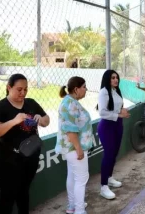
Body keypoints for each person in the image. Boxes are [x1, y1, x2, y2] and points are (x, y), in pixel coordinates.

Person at [0, 73, 50, 214]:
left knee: (24, 192)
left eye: (26, 89)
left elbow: (46, 120)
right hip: (7, 159)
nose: (23, 93)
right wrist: (14, 121)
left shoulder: (31, 103)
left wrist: (41, 119)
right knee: (8, 196)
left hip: (30, 156)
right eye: (19, 89)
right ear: (9, 87)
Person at [55, 77, 92, 214]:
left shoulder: (70, 102)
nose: (86, 89)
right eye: (84, 87)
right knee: (81, 179)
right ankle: (80, 210)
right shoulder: (70, 104)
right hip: (74, 148)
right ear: (76, 89)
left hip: (71, 148)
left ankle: (72, 206)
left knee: (73, 177)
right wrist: (78, 148)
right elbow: (70, 129)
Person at [97, 70, 129, 200]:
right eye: (112, 78)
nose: (116, 80)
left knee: (114, 153)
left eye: (116, 78)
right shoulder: (104, 91)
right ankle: (103, 186)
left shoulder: (116, 90)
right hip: (107, 126)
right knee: (109, 155)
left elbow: (116, 107)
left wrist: (122, 111)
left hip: (117, 125)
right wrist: (119, 115)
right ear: (107, 79)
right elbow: (102, 112)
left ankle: (109, 178)